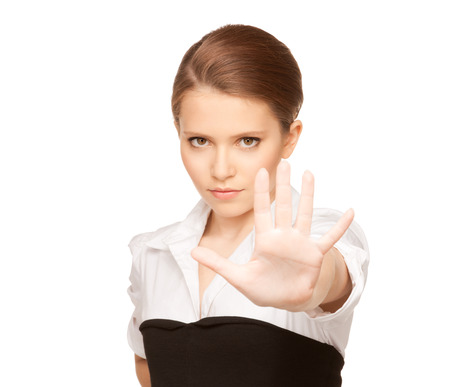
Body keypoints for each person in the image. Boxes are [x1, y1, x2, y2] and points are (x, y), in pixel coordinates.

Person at [127, 24, 369, 387]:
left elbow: (333, 281)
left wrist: (316, 282)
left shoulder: (320, 236)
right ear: (178, 131)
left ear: (290, 138)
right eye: (199, 141)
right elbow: (147, 365)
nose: (221, 170)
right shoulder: (151, 254)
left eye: (247, 141)